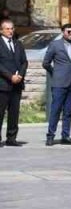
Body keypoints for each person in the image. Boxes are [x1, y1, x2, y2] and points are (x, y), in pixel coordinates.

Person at [42, 23, 71, 146]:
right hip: (59, 83)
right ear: (63, 32)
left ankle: (66, 136)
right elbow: (46, 63)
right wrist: (55, 73)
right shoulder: (55, 45)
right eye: (69, 32)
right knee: (55, 110)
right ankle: (50, 136)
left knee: (68, 111)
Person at [0, 18, 28, 146]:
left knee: (14, 113)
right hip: (3, 84)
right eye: (7, 29)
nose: (10, 31)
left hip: (17, 84)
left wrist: (20, 75)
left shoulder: (18, 44)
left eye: (12, 28)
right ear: (1, 30)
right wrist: (10, 76)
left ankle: (11, 138)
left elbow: (24, 62)